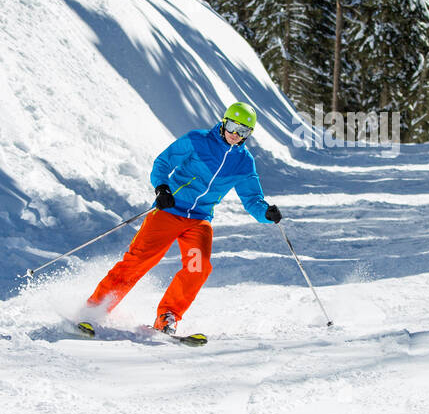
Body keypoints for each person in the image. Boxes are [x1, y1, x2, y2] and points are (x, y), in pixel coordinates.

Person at [79, 102, 281, 336]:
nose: (235, 135)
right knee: (138, 260)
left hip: (199, 220)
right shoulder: (197, 140)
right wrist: (162, 188)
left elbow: (252, 198)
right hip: (169, 210)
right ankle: (94, 309)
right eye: (233, 127)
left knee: (198, 267)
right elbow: (163, 162)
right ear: (225, 122)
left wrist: (266, 213)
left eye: (243, 131)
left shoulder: (244, 163)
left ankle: (167, 317)